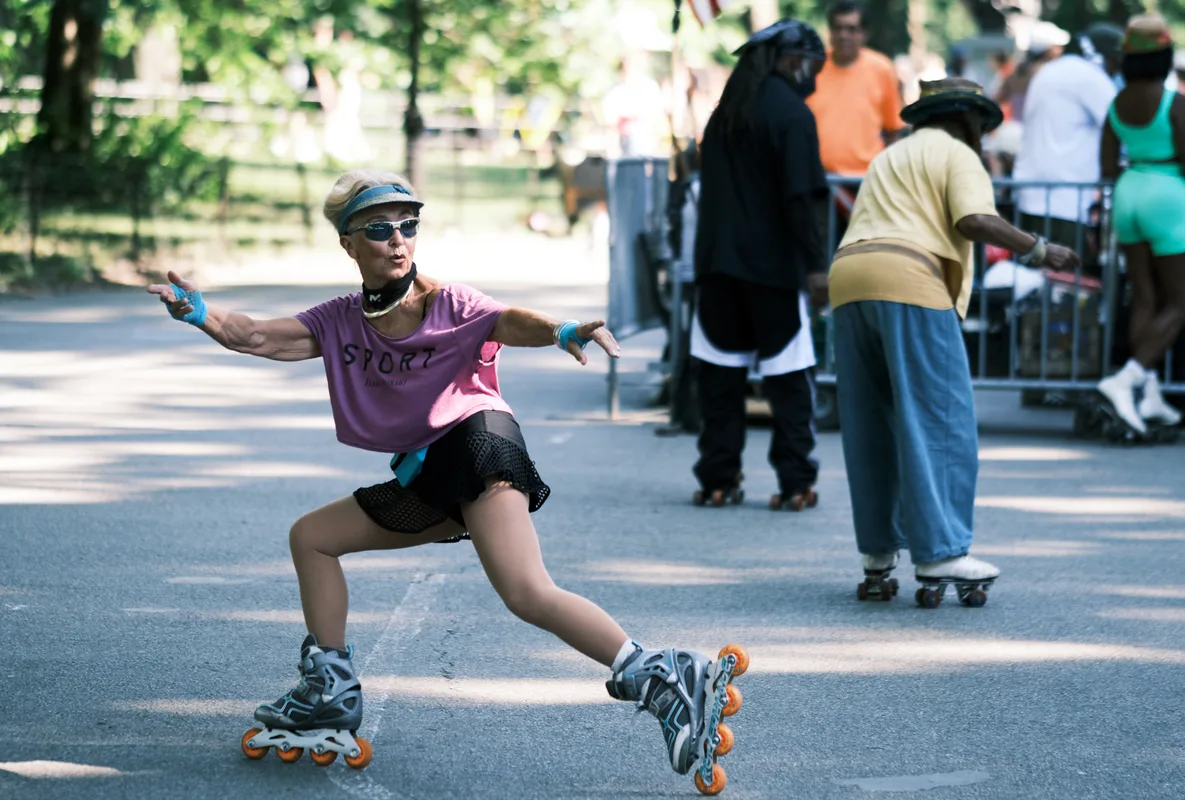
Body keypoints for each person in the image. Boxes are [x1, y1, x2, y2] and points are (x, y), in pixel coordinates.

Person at [145, 172, 748, 791]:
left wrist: (561, 330)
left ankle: (662, 675)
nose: (398, 239)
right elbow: (256, 336)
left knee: (526, 591)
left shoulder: (445, 303)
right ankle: (330, 687)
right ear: (349, 244)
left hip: (478, 443)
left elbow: (506, 321)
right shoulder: (338, 321)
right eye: (379, 229)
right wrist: (201, 314)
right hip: (431, 470)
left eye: (408, 225)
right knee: (313, 538)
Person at [827, 79, 1080, 603]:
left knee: (871, 420)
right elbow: (974, 220)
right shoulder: (958, 154)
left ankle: (878, 553)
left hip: (849, 277)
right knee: (941, 416)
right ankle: (942, 549)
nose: (984, 138)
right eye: (982, 127)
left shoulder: (891, 156)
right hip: (909, 280)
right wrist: (1039, 249)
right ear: (966, 120)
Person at [689, 20, 829, 511]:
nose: (813, 72)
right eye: (812, 62)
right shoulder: (792, 114)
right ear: (794, 59)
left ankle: (717, 479)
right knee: (789, 380)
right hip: (773, 268)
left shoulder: (724, 114)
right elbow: (800, 199)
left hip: (718, 267)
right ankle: (795, 482)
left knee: (721, 381)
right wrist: (816, 267)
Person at [1097, 15, 1185, 437]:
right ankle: (1126, 380)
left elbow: (1105, 166)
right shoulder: (1174, 102)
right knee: (1182, 301)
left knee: (1144, 297)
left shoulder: (1116, 103)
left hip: (1128, 192)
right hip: (1168, 196)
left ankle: (1149, 394)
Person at [1011, 23, 1123, 277]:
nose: (1117, 69)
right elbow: (1121, 125)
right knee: (1064, 294)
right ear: (1104, 57)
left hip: (1032, 196)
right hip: (1064, 203)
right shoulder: (1090, 77)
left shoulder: (1052, 70)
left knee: (1032, 290)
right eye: (1116, 62)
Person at [807, 1, 906, 177]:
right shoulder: (813, 68)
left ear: (864, 34)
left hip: (865, 179)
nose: (843, 35)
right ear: (829, 32)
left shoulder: (882, 69)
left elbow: (893, 131)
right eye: (837, 28)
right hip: (819, 178)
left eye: (851, 29)